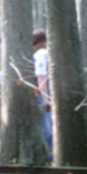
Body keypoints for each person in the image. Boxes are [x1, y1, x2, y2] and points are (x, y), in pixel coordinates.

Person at [32, 29, 52, 157]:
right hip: (41, 93)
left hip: (42, 93)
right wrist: (45, 98)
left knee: (47, 128)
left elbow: (42, 77)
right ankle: (48, 156)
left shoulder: (40, 54)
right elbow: (41, 76)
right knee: (46, 128)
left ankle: (48, 156)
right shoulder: (41, 54)